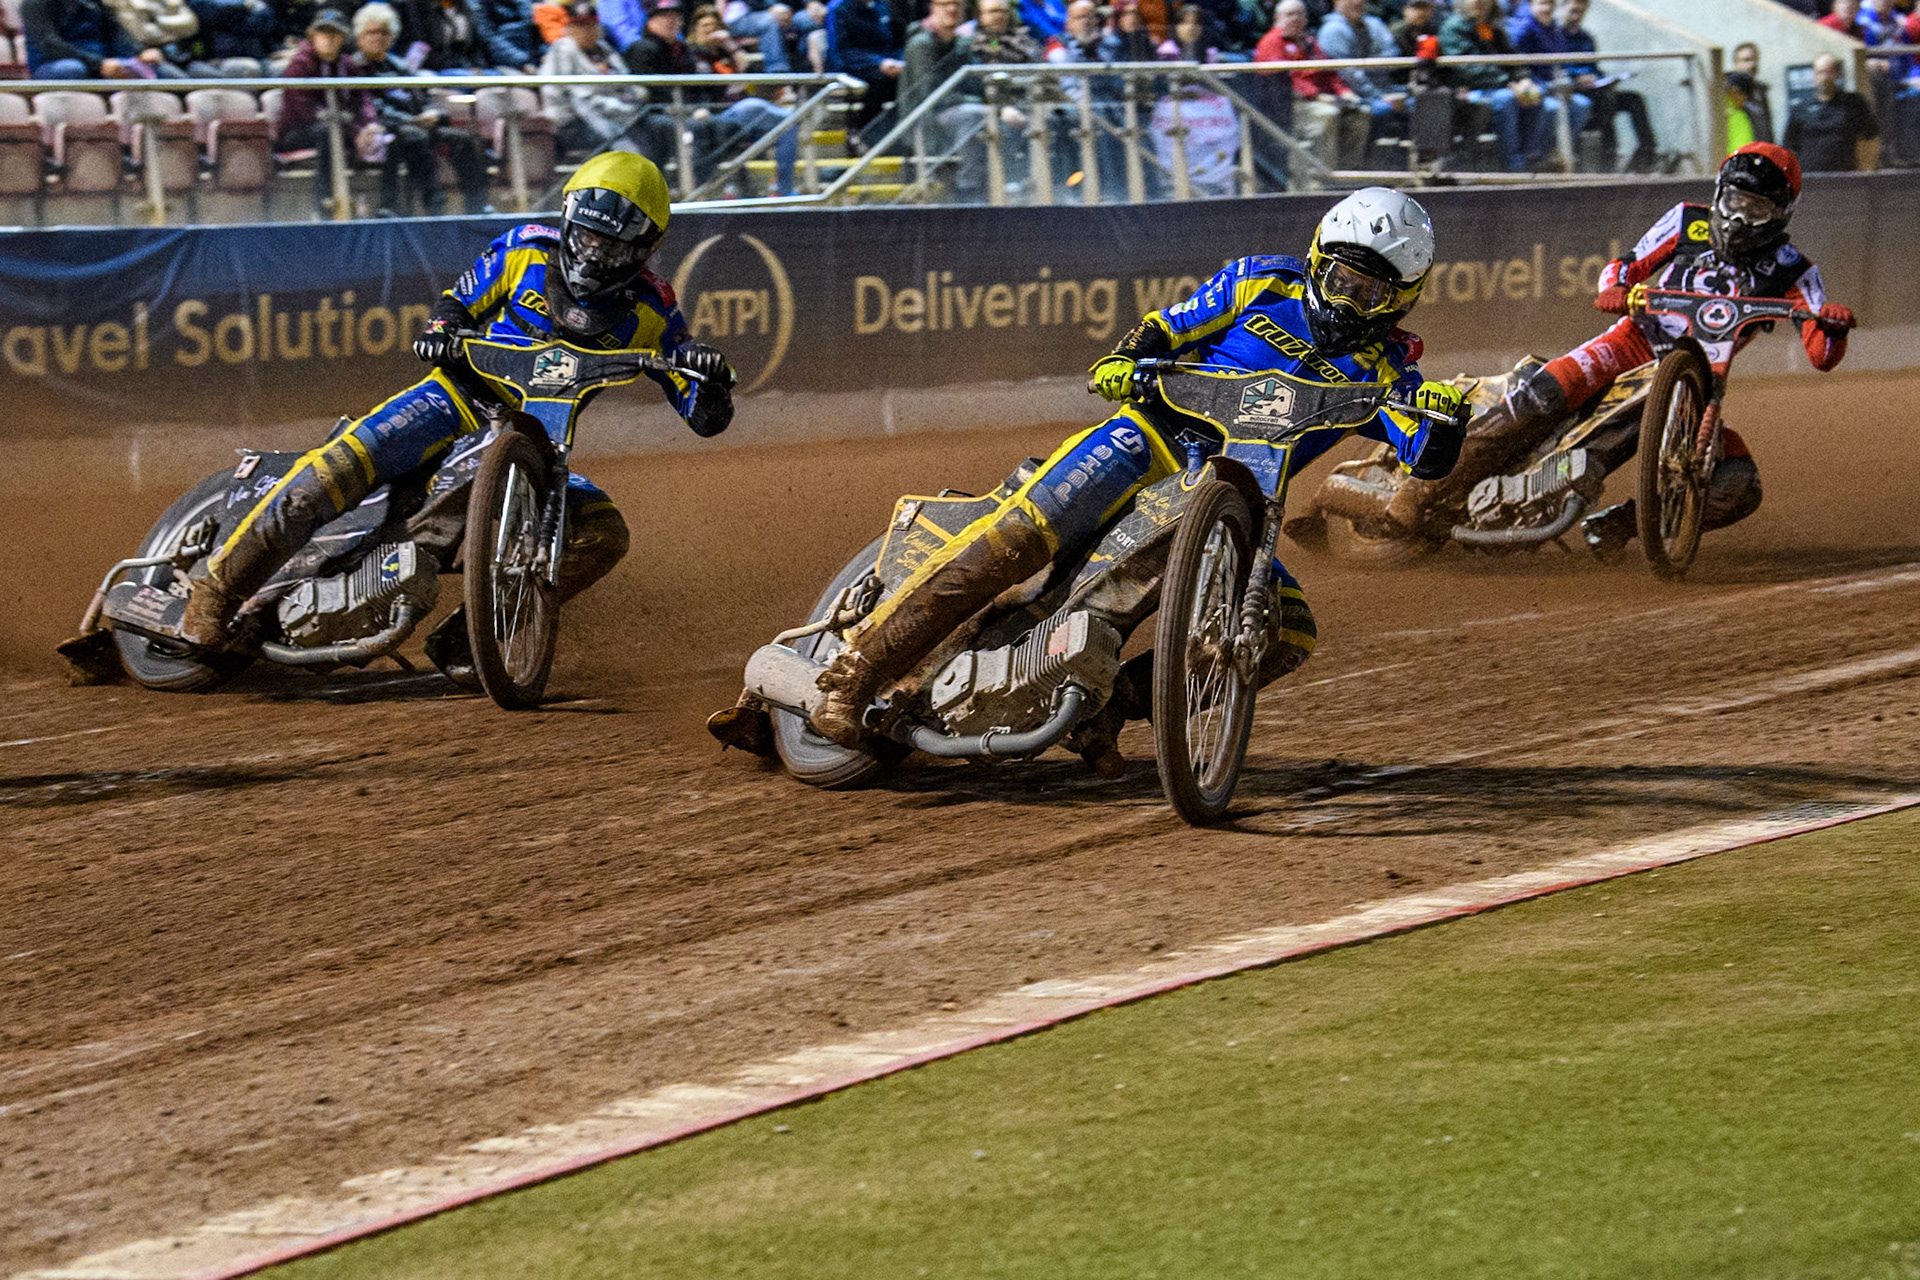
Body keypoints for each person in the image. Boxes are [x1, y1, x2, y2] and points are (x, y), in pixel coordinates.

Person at [709, 188, 1468, 767]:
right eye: (1338, 277)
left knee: (1289, 629)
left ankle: (1117, 707)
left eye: (1369, 290)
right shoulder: (1259, 283)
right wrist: (1123, 359)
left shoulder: (1388, 372)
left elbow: (1425, 457)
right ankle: (852, 672)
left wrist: (1445, 423)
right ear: (1314, 257)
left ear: (1401, 295)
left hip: (1236, 502)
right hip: (1150, 438)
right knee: (1020, 537)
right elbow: (1169, 326)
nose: (1347, 298)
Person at [181, 153, 737, 662]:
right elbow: (458, 302)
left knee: (604, 533)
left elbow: (701, 415)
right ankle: (214, 591)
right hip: (454, 398)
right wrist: (441, 329)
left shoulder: (653, 307)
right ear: (569, 220)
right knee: (338, 466)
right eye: (588, 237)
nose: (594, 253)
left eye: (611, 247)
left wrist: (708, 381)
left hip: (538, 442)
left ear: (643, 250)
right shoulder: (525, 247)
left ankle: (481, 629)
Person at [1382, 143, 1857, 557]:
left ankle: (1616, 526)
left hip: (1697, 381)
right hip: (1633, 341)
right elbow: (1624, 266)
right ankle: (1423, 490)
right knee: (1549, 391)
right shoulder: (1687, 220)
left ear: (1781, 213)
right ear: (1718, 194)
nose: (1738, 218)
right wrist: (1615, 288)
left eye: (1755, 210)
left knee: (1737, 485)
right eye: (1733, 202)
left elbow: (1821, 353)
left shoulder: (1794, 269)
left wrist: (1831, 325)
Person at [351, 2, 493, 214]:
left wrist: (435, 114)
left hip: (416, 125)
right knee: (413, 136)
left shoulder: (401, 66)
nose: (377, 37)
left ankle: (477, 205)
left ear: (392, 36)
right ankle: (433, 202)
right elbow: (369, 109)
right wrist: (411, 121)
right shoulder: (354, 68)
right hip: (384, 131)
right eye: (371, 32)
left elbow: (421, 99)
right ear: (360, 36)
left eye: (384, 32)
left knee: (462, 139)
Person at [274, 9, 380, 216]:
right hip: (298, 133)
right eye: (323, 33)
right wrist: (352, 130)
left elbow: (361, 102)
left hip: (340, 128)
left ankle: (381, 207)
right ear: (312, 36)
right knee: (327, 132)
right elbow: (307, 113)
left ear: (343, 37)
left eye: (335, 34)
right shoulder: (299, 66)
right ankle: (325, 204)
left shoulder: (349, 67)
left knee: (382, 137)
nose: (329, 39)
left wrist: (366, 127)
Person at [1256, 0, 1369, 171]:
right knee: (1328, 114)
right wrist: (1316, 96)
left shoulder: (1309, 41)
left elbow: (1329, 72)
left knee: (1361, 112)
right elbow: (1284, 79)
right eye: (1290, 14)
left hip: (1322, 99)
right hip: (1291, 105)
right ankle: (1324, 174)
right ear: (1277, 18)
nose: (1295, 18)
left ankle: (1348, 171)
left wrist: (1344, 91)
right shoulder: (1272, 41)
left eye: (1300, 14)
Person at [1438, 0, 1551, 171]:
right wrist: (1508, 84)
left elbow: (1513, 58)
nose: (1480, 2)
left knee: (1535, 93)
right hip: (1469, 91)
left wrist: (1524, 80)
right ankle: (1513, 166)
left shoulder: (1493, 27)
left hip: (1500, 85)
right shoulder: (1453, 27)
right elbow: (1467, 69)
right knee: (1506, 100)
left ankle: (1530, 159)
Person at [1561, 0, 1653, 170]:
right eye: (1573, 11)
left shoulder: (1586, 37)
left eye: (1581, 12)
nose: (1576, 16)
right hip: (1574, 92)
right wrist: (1576, 78)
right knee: (1606, 100)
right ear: (1563, 8)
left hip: (1595, 89)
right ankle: (1608, 156)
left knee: (1633, 99)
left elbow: (1595, 68)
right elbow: (1557, 68)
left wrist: (1602, 79)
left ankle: (1647, 153)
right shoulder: (1556, 37)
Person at [23, 0, 186, 76]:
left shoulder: (97, 3)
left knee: (166, 73)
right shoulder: (35, 3)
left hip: (104, 63)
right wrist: (98, 64)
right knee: (72, 69)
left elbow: (118, 35)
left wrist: (142, 53)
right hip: (54, 65)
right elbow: (50, 46)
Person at [1317, 0, 1404, 141]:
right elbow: (1348, 75)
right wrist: (1379, 96)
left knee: (1423, 100)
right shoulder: (1333, 30)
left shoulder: (1374, 24)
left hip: (1382, 88)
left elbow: (1392, 54)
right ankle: (1367, 161)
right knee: (1383, 110)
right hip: (1351, 95)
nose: (1357, 2)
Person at [1785, 52, 1879, 171]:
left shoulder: (1853, 103)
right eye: (1820, 72)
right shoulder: (1800, 108)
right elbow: (1790, 145)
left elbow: (1871, 136)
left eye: (1828, 72)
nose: (1824, 77)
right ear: (1813, 76)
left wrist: (1868, 167)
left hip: (1845, 177)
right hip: (1811, 180)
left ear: (1838, 74)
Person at [824, 0, 901, 131]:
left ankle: (906, 134)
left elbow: (896, 42)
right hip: (852, 67)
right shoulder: (839, 8)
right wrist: (877, 62)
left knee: (909, 73)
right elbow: (840, 52)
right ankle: (867, 134)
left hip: (886, 63)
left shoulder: (883, 5)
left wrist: (900, 61)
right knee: (878, 80)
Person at [1731, 40, 1774, 143]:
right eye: (1746, 60)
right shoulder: (1728, 93)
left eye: (1755, 60)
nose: (1752, 65)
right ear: (1736, 64)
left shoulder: (1761, 91)